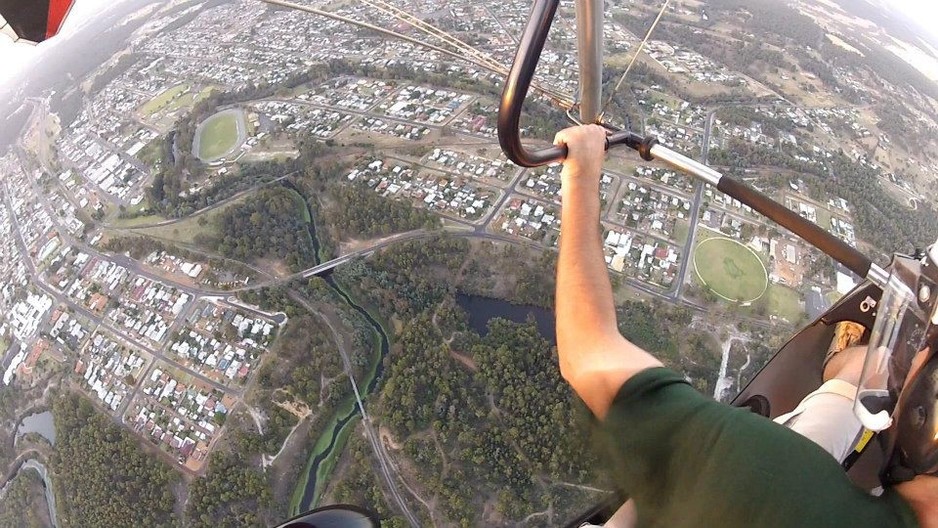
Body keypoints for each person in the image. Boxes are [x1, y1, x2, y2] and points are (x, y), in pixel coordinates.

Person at [552, 124, 938, 528]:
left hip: (758, 488)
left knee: (860, 371)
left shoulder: (753, 482)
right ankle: (850, 366)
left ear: (922, 416)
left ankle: (850, 364)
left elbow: (588, 352)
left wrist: (580, 173)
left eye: (919, 356)